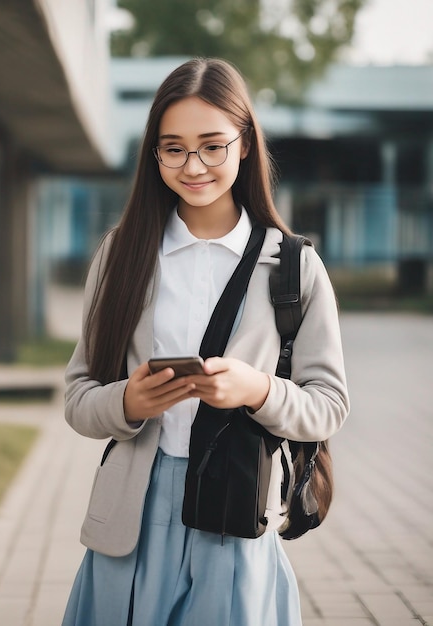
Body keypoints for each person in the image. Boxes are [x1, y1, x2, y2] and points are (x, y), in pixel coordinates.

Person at [62, 57, 349, 626]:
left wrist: (257, 389)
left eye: (212, 146)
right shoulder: (121, 257)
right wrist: (126, 403)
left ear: (244, 145)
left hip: (234, 518)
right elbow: (78, 398)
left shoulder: (293, 267)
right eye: (173, 148)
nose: (193, 165)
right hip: (130, 520)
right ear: (154, 153)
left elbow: (329, 407)